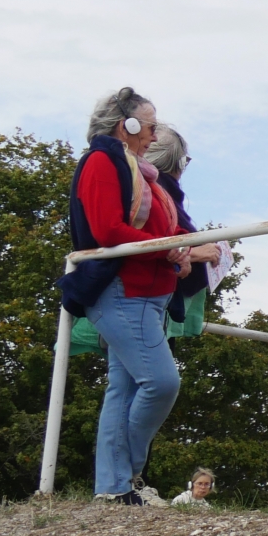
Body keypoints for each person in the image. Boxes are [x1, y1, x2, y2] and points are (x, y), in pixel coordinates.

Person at [59, 88, 194, 506]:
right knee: (162, 383)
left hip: (145, 294)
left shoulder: (137, 171)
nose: (154, 135)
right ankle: (127, 471)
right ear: (127, 126)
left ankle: (113, 487)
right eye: (150, 126)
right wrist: (166, 247)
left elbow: (158, 230)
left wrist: (179, 245)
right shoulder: (102, 161)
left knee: (124, 391)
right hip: (124, 293)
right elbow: (107, 230)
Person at [141, 124, 228, 333]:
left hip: (147, 303)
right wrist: (192, 253)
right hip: (145, 302)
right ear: (178, 162)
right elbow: (145, 241)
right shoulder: (156, 193)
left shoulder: (146, 188)